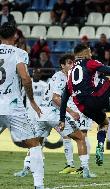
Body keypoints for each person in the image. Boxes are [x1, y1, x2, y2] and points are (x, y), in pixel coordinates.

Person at [0, 23, 44, 189]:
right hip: (13, 107)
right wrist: (31, 100)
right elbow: (25, 78)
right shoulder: (19, 53)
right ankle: (38, 185)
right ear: (15, 37)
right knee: (34, 144)